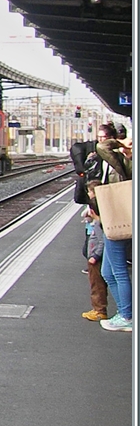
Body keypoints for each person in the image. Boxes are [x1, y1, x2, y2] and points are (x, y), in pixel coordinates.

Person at [91, 124, 132, 333]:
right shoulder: (125, 161)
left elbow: (103, 148)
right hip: (112, 217)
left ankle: (128, 315)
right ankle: (126, 312)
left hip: (119, 217)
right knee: (108, 272)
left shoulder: (125, 162)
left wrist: (121, 144)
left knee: (118, 271)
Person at [82, 202, 109, 321]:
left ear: (92, 212)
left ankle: (99, 310)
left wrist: (95, 256)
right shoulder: (99, 223)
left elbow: (102, 242)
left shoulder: (98, 225)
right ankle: (98, 309)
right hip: (95, 258)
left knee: (96, 285)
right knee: (97, 285)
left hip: (95, 260)